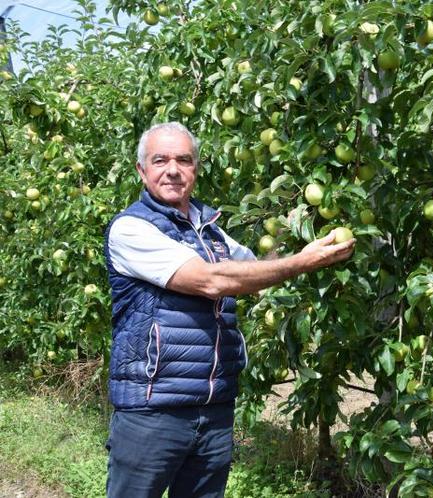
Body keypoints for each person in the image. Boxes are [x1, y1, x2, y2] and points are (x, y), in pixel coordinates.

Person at [103, 122, 355, 498]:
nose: (173, 169)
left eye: (183, 160)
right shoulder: (131, 229)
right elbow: (212, 280)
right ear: (142, 170)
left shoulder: (211, 229)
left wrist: (300, 231)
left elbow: (254, 268)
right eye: (160, 160)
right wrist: (304, 262)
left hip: (215, 408)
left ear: (196, 168)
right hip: (154, 410)